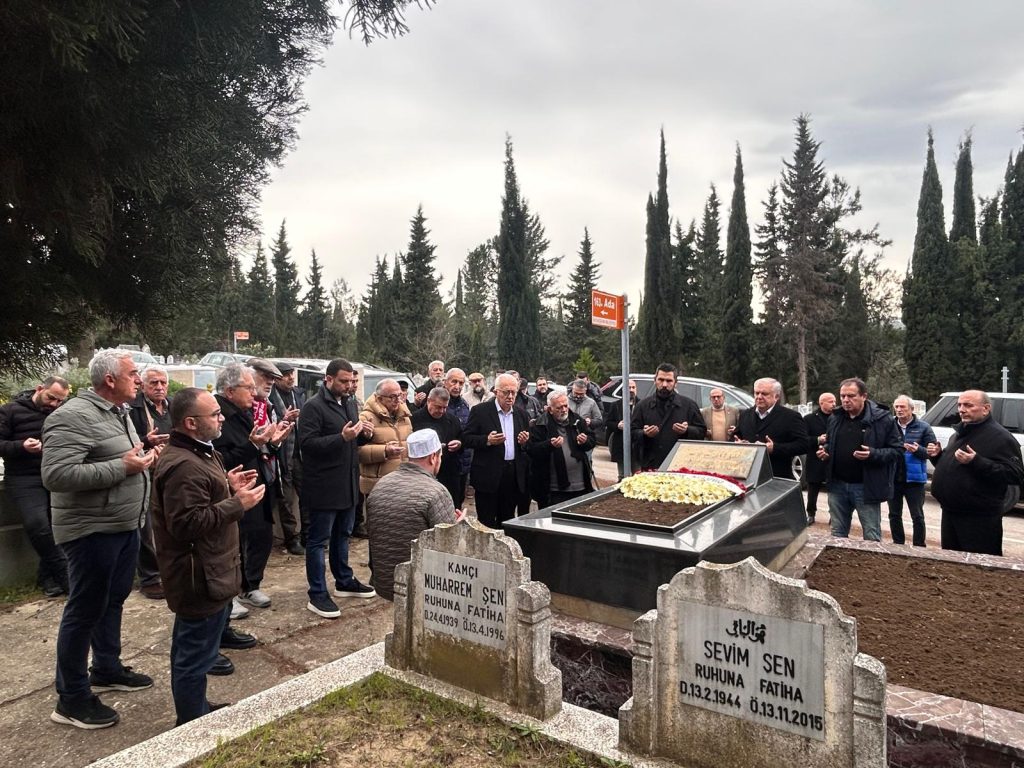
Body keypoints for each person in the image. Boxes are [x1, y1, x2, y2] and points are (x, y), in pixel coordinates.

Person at [42, 350, 155, 730]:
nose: (138, 380)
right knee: (85, 610)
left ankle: (106, 667)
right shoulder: (72, 416)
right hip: (92, 530)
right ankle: (71, 698)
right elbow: (56, 475)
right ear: (110, 379)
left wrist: (141, 459)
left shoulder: (118, 412)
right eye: (133, 373)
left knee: (113, 600)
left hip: (123, 525)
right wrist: (122, 466)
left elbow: (118, 457)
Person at [150, 387, 266, 726]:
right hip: (197, 574)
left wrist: (226, 485)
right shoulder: (183, 465)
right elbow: (185, 524)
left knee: (196, 650)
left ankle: (196, 709)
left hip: (210, 568)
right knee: (193, 657)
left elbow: (202, 499)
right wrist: (236, 504)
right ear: (190, 422)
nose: (222, 418)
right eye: (214, 414)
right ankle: (190, 724)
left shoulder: (200, 451)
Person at [298, 358, 376, 618]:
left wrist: (363, 434)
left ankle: (344, 580)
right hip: (324, 486)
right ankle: (318, 593)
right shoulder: (313, 407)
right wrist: (341, 437)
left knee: (344, 534)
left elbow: (352, 441)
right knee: (318, 541)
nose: (348, 385)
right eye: (343, 381)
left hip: (348, 484)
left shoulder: (350, 403)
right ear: (328, 379)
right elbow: (307, 445)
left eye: (351, 381)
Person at [213, 363, 292, 613]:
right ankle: (230, 596)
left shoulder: (246, 412)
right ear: (229, 391)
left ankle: (250, 585)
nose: (254, 392)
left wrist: (273, 444)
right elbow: (221, 459)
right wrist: (255, 445)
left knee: (261, 535)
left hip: (257, 484)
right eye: (248, 387)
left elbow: (257, 448)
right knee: (233, 545)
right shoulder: (218, 416)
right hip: (230, 491)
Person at [927, 390, 1024, 556]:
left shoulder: (1001, 437)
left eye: (968, 405)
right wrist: (938, 456)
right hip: (951, 513)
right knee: (952, 563)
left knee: (978, 566)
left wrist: (977, 461)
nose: (961, 409)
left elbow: (1015, 474)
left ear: (985, 409)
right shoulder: (959, 433)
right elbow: (955, 468)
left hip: (978, 519)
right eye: (959, 405)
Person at [365, 429, 458, 601]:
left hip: (384, 581)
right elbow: (450, 544)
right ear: (433, 457)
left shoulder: (381, 485)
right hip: (422, 587)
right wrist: (459, 526)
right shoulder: (436, 491)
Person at [0, 376, 71, 596]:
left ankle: (47, 578)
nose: (54, 404)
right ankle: (65, 574)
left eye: (60, 401)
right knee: (38, 524)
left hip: (55, 474)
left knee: (58, 526)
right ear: (40, 389)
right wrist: (21, 446)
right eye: (51, 398)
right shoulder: (10, 411)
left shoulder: (60, 413)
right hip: (24, 478)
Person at [816, 378, 901, 542]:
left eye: (851, 396)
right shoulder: (835, 417)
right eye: (842, 396)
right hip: (837, 485)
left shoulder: (882, 419)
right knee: (837, 534)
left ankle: (872, 560)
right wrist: (826, 451)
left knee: (871, 535)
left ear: (864, 396)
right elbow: (830, 442)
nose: (846, 400)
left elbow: (897, 451)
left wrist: (873, 454)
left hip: (865, 487)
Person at [462, 372, 531, 528]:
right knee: (486, 522)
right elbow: (466, 438)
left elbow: (527, 445)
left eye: (514, 392)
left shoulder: (521, 414)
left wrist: (524, 442)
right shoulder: (480, 411)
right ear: (496, 391)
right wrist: (487, 440)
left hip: (512, 475)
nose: (510, 396)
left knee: (506, 520)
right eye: (506, 392)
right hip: (488, 475)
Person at [128, 366, 173, 600]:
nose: (159, 387)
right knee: (146, 526)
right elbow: (126, 442)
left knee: (170, 522)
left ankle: (170, 571)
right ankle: (150, 578)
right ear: (143, 385)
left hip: (171, 469)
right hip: (145, 471)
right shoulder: (132, 408)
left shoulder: (173, 406)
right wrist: (147, 442)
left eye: (163, 382)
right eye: (154, 383)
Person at [527, 391, 596, 508]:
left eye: (565, 406)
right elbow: (531, 450)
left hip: (580, 486)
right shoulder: (540, 425)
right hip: (553, 489)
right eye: (559, 407)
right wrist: (549, 445)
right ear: (550, 409)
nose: (564, 410)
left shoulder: (577, 420)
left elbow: (592, 440)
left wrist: (585, 440)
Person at [631, 363, 706, 469]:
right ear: (655, 380)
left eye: (669, 381)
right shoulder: (642, 406)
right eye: (661, 380)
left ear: (676, 383)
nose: (664, 384)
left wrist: (687, 430)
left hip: (680, 466)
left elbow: (702, 432)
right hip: (650, 465)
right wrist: (644, 433)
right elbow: (631, 433)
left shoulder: (689, 405)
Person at [733, 378, 808, 481]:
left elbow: (803, 445)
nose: (759, 397)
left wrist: (774, 448)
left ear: (776, 396)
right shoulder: (745, 414)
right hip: (747, 476)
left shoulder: (791, 417)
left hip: (776, 478)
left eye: (764, 394)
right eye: (756, 393)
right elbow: (736, 436)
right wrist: (738, 444)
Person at [888, 395, 936, 547]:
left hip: (915, 480)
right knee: (894, 514)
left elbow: (932, 452)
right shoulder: (889, 425)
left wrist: (918, 450)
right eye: (896, 407)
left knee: (917, 516)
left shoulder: (924, 427)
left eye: (902, 407)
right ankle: (898, 544)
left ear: (912, 409)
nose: (899, 410)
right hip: (894, 478)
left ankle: (919, 545)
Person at [269, 362, 304, 555]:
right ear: (276, 378)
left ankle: (308, 535)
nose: (291, 378)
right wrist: (284, 420)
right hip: (282, 455)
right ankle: (292, 538)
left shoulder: (298, 394)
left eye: (292, 373)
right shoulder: (270, 397)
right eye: (286, 374)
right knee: (286, 499)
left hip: (300, 454)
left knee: (307, 496)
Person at [410, 387, 464, 507]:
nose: (442, 411)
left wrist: (459, 444)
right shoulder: (414, 419)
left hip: (449, 474)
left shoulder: (453, 420)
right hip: (423, 476)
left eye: (445, 407)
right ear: (429, 401)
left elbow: (462, 439)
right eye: (438, 407)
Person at [358, 378, 413, 497]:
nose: (397, 400)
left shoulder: (404, 416)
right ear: (379, 398)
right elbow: (357, 453)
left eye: (399, 395)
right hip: (378, 486)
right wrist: (384, 451)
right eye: (392, 397)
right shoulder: (365, 418)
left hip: (403, 482)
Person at [803, 392, 836, 526]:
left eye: (835, 401)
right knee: (813, 488)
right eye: (830, 401)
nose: (834, 404)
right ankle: (811, 514)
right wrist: (817, 439)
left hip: (833, 459)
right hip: (815, 458)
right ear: (821, 403)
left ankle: (834, 515)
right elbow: (803, 439)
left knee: (833, 490)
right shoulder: (809, 419)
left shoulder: (838, 418)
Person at [441, 368, 472, 508]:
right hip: (442, 465)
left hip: (462, 463)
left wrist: (461, 442)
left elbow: (467, 432)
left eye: (461, 383)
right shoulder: (437, 403)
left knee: (458, 502)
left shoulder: (464, 405)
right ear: (445, 382)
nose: (457, 386)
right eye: (454, 382)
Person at [607, 379, 638, 481]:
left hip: (637, 446)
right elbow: (608, 422)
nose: (631, 390)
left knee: (637, 476)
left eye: (633, 387)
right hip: (621, 445)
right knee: (622, 477)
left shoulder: (642, 404)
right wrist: (617, 425)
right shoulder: (615, 405)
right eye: (629, 388)